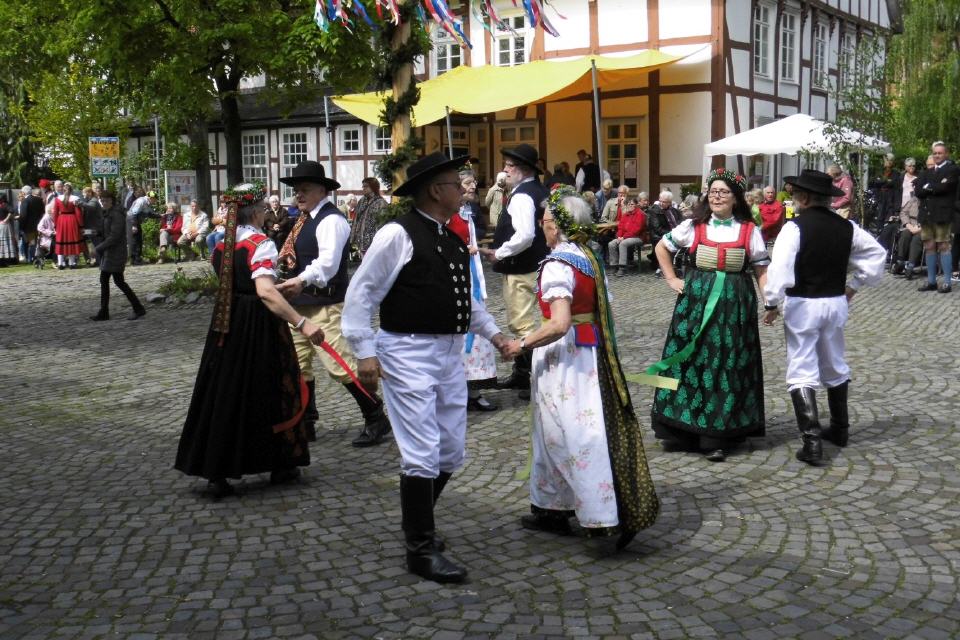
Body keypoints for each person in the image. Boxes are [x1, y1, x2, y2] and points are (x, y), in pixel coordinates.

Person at [342, 152, 510, 584]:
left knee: (451, 450)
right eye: (458, 182)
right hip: (407, 351)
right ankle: (419, 546)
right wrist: (364, 350)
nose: (465, 188)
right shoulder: (397, 234)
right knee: (421, 452)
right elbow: (361, 294)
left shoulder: (451, 238)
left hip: (449, 353)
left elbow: (465, 301)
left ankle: (416, 522)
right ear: (436, 190)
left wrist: (495, 335)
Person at [503, 186, 659, 549]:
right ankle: (551, 509)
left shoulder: (558, 264)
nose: (543, 228)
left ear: (556, 226)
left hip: (567, 360)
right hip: (590, 354)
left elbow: (559, 323)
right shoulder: (587, 255)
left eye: (544, 222)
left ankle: (604, 513)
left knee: (571, 433)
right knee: (564, 429)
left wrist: (520, 344)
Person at [175, 184, 323, 498]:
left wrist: (279, 284)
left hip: (226, 322)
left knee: (225, 389)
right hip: (258, 327)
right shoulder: (261, 243)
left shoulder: (223, 245)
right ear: (256, 211)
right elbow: (264, 292)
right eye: (265, 208)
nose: (269, 212)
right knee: (270, 390)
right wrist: (301, 322)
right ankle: (280, 463)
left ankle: (217, 467)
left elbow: (248, 283)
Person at [762, 170, 886, 466]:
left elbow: (780, 268)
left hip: (804, 303)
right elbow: (878, 255)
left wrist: (771, 303)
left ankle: (812, 442)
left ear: (804, 197)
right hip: (834, 303)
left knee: (802, 365)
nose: (793, 199)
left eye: (795, 195)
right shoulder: (847, 227)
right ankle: (840, 430)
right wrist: (854, 285)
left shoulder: (794, 228)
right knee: (834, 361)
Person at [650, 168, 770, 462]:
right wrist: (671, 279)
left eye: (723, 192)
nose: (716, 197)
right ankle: (682, 429)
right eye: (713, 192)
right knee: (693, 361)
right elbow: (661, 248)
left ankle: (716, 434)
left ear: (735, 198)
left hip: (734, 307)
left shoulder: (749, 231)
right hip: (695, 304)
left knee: (725, 364)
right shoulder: (692, 226)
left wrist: (771, 302)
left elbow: (761, 269)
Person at [275, 161, 391, 447]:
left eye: (305, 189)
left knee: (340, 365)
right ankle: (307, 419)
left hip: (324, 304)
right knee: (299, 365)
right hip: (299, 307)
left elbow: (327, 265)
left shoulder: (331, 220)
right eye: (296, 190)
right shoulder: (304, 219)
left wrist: (300, 280)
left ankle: (376, 415)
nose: (298, 195)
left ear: (323, 190)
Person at [479, 144, 550, 401]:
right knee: (533, 321)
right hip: (540, 265)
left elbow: (526, 235)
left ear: (522, 170)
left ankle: (532, 377)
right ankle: (523, 373)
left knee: (522, 324)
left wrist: (500, 252)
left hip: (523, 267)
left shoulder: (522, 195)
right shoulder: (540, 191)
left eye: (509, 166)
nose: (505, 170)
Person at [449, 169, 498, 412]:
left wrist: (481, 250)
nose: (473, 186)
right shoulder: (449, 215)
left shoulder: (470, 211)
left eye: (474, 182)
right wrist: (462, 249)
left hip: (472, 275)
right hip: (457, 275)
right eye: (468, 183)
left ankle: (473, 389)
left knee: (477, 329)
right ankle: (459, 389)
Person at [89, 191, 147, 321]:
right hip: (110, 252)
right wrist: (92, 232)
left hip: (116, 252)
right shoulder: (108, 213)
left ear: (112, 201)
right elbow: (105, 231)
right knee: (111, 281)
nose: (104, 202)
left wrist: (98, 248)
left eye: (106, 200)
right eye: (102, 200)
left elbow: (114, 236)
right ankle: (106, 311)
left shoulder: (116, 214)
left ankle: (136, 308)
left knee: (116, 281)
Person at [913, 141, 959, 293]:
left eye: (940, 153)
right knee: (929, 246)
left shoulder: (953, 169)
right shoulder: (926, 172)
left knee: (944, 246)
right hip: (926, 214)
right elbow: (919, 191)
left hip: (942, 214)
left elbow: (946, 187)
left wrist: (929, 187)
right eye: (935, 153)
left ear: (946, 154)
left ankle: (946, 282)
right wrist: (934, 186)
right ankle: (932, 281)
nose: (937, 155)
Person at [891, 158, 923, 279]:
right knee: (905, 235)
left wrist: (919, 227)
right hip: (911, 224)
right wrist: (908, 224)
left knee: (917, 239)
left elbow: (930, 216)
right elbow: (903, 212)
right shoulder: (913, 199)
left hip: (922, 226)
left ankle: (910, 265)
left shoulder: (928, 201)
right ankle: (900, 262)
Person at [607, 196, 646, 277]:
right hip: (625, 237)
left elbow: (636, 230)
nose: (630, 206)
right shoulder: (625, 215)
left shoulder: (640, 214)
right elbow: (620, 227)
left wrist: (623, 237)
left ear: (636, 205)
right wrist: (619, 236)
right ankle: (614, 266)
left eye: (632, 204)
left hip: (638, 237)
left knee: (623, 244)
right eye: (628, 204)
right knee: (611, 244)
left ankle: (622, 268)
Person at [349, 177, 388, 259]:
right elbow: (356, 220)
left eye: (366, 186)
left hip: (374, 244)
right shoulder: (362, 201)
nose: (363, 188)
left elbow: (382, 226)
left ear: (373, 187)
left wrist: (379, 243)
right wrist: (352, 239)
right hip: (361, 243)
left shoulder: (381, 203)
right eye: (363, 186)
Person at [53, 183, 84, 270]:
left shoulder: (57, 199)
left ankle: (60, 263)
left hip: (61, 221)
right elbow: (78, 213)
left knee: (61, 241)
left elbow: (55, 213)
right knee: (71, 241)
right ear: (72, 190)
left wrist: (55, 225)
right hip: (72, 220)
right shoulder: (75, 199)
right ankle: (72, 262)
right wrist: (81, 224)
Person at [126, 190, 157, 265]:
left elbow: (150, 214)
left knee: (138, 239)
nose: (155, 201)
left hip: (136, 221)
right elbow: (134, 213)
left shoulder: (147, 203)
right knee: (134, 240)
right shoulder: (141, 202)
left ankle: (136, 259)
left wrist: (160, 216)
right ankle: (135, 260)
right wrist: (134, 225)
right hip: (132, 220)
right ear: (150, 198)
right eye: (155, 199)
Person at [19, 185, 44, 264]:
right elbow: (42, 212)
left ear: (24, 192)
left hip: (29, 226)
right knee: (38, 242)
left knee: (31, 243)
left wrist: (21, 227)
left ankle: (32, 258)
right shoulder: (39, 199)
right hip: (39, 224)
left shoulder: (25, 201)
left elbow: (23, 215)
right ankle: (38, 257)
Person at [0, 197, 16, 266]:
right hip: (1, 225)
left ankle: (7, 259)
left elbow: (11, 211)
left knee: (5, 241)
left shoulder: (5, 205)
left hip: (4, 225)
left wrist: (6, 219)